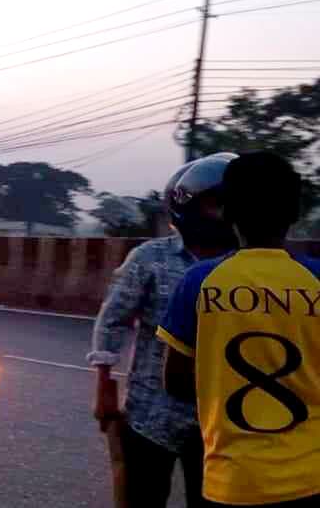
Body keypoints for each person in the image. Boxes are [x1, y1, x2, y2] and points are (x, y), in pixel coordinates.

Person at [160, 152, 320, 507]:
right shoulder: (317, 279)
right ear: (295, 213)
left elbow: (176, 382)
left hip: (231, 479)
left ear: (227, 213)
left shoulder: (198, 282)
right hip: (312, 476)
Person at [88, 153, 238, 507]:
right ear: (188, 205)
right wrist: (105, 388)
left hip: (220, 421)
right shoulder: (150, 259)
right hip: (150, 413)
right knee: (141, 498)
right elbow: (113, 320)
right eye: (216, 205)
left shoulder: (246, 264)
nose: (225, 214)